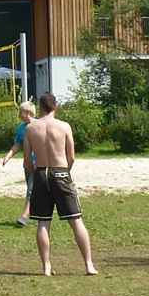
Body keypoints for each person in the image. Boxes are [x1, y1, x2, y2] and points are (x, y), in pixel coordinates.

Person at [23, 93, 96, 277]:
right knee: (76, 220)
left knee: (43, 222)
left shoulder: (30, 128)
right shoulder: (64, 126)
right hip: (61, 172)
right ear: (55, 106)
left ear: (40, 107)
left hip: (41, 173)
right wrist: (66, 172)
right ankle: (88, 265)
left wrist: (35, 174)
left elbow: (27, 161)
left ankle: (46, 266)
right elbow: (71, 156)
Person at [1, 100, 38, 226]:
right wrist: (8, 156)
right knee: (32, 190)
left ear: (28, 112)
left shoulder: (39, 125)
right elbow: (18, 145)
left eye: (21, 111)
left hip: (39, 164)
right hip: (28, 164)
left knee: (31, 190)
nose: (19, 114)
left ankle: (25, 216)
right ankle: (39, 214)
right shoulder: (21, 128)